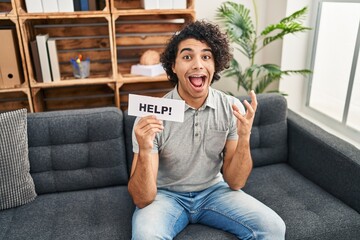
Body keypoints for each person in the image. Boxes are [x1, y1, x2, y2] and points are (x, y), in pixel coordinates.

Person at [128, 20, 286, 240]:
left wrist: (244, 136)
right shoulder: (150, 117)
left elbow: (236, 182)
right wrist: (144, 149)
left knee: (273, 227)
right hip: (165, 196)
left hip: (214, 191)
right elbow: (142, 199)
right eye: (187, 56)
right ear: (173, 66)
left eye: (206, 56)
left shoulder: (231, 108)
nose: (198, 65)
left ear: (215, 64)